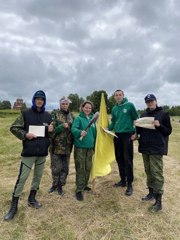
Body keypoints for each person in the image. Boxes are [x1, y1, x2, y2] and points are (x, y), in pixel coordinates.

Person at [4, 90, 53, 221]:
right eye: (37, 99)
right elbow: (14, 128)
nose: (39, 101)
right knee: (22, 178)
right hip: (29, 153)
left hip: (42, 153)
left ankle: (32, 199)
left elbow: (50, 134)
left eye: (42, 99)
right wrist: (25, 135)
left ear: (44, 101)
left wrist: (51, 131)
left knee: (37, 177)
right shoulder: (25, 113)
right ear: (34, 100)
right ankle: (13, 206)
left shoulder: (48, 116)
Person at [135, 94, 172, 212]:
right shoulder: (143, 115)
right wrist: (136, 132)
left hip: (157, 148)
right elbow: (139, 131)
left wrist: (159, 125)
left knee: (157, 173)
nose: (150, 103)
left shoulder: (163, 114)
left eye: (151, 101)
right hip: (145, 147)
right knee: (148, 171)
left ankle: (159, 201)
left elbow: (168, 131)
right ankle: (151, 193)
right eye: (148, 102)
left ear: (156, 101)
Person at [109, 89, 138, 196]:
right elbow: (113, 122)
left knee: (127, 159)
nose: (118, 97)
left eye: (119, 95)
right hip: (117, 136)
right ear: (114, 97)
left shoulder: (129, 105)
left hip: (127, 135)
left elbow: (136, 119)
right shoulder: (114, 108)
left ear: (123, 95)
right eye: (116, 95)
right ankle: (123, 180)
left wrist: (136, 133)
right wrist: (107, 128)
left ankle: (130, 184)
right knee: (119, 158)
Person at [71, 101, 96, 201]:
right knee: (80, 169)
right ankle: (79, 190)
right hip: (80, 148)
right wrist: (80, 132)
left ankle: (85, 185)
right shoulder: (78, 118)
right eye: (86, 107)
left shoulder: (92, 120)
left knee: (88, 168)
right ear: (82, 108)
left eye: (90, 108)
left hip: (90, 148)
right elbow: (73, 129)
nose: (88, 109)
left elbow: (94, 133)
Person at [48, 97, 74, 195]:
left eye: (66, 104)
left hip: (67, 146)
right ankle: (55, 185)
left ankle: (61, 185)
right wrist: (61, 127)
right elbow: (51, 131)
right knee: (56, 167)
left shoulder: (72, 116)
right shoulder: (54, 114)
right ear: (60, 104)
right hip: (56, 146)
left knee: (65, 168)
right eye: (63, 104)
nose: (64, 105)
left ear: (68, 105)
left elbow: (74, 128)